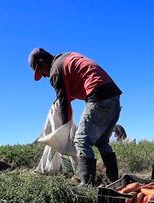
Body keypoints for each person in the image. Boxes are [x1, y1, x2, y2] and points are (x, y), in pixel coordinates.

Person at [28, 48, 122, 184]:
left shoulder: (55, 70)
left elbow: (65, 105)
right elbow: (69, 93)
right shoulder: (65, 58)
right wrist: (60, 102)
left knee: (81, 140)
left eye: (40, 71)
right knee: (102, 142)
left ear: (42, 62)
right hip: (113, 97)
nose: (43, 75)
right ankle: (115, 182)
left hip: (99, 97)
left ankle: (86, 185)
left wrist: (65, 129)